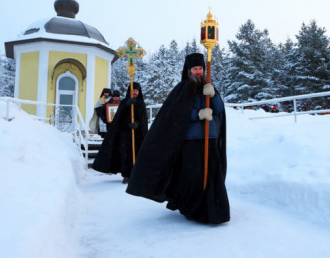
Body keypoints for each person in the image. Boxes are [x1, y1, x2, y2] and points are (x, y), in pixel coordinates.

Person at [126, 53, 230, 224]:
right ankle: (192, 207)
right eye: (195, 69)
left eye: (200, 69)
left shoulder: (209, 87)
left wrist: (213, 96)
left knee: (212, 175)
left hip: (210, 138)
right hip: (191, 141)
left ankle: (213, 210)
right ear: (189, 70)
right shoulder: (182, 89)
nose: (198, 72)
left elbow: (218, 109)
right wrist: (198, 114)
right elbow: (178, 114)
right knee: (193, 176)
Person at [92, 83, 148, 184]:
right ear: (129, 91)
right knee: (125, 154)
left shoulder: (141, 103)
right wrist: (127, 105)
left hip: (137, 135)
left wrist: (137, 124)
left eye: (136, 90)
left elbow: (144, 120)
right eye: (133, 90)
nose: (135, 92)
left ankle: (135, 174)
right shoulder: (124, 102)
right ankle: (126, 175)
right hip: (125, 135)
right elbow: (118, 118)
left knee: (137, 153)